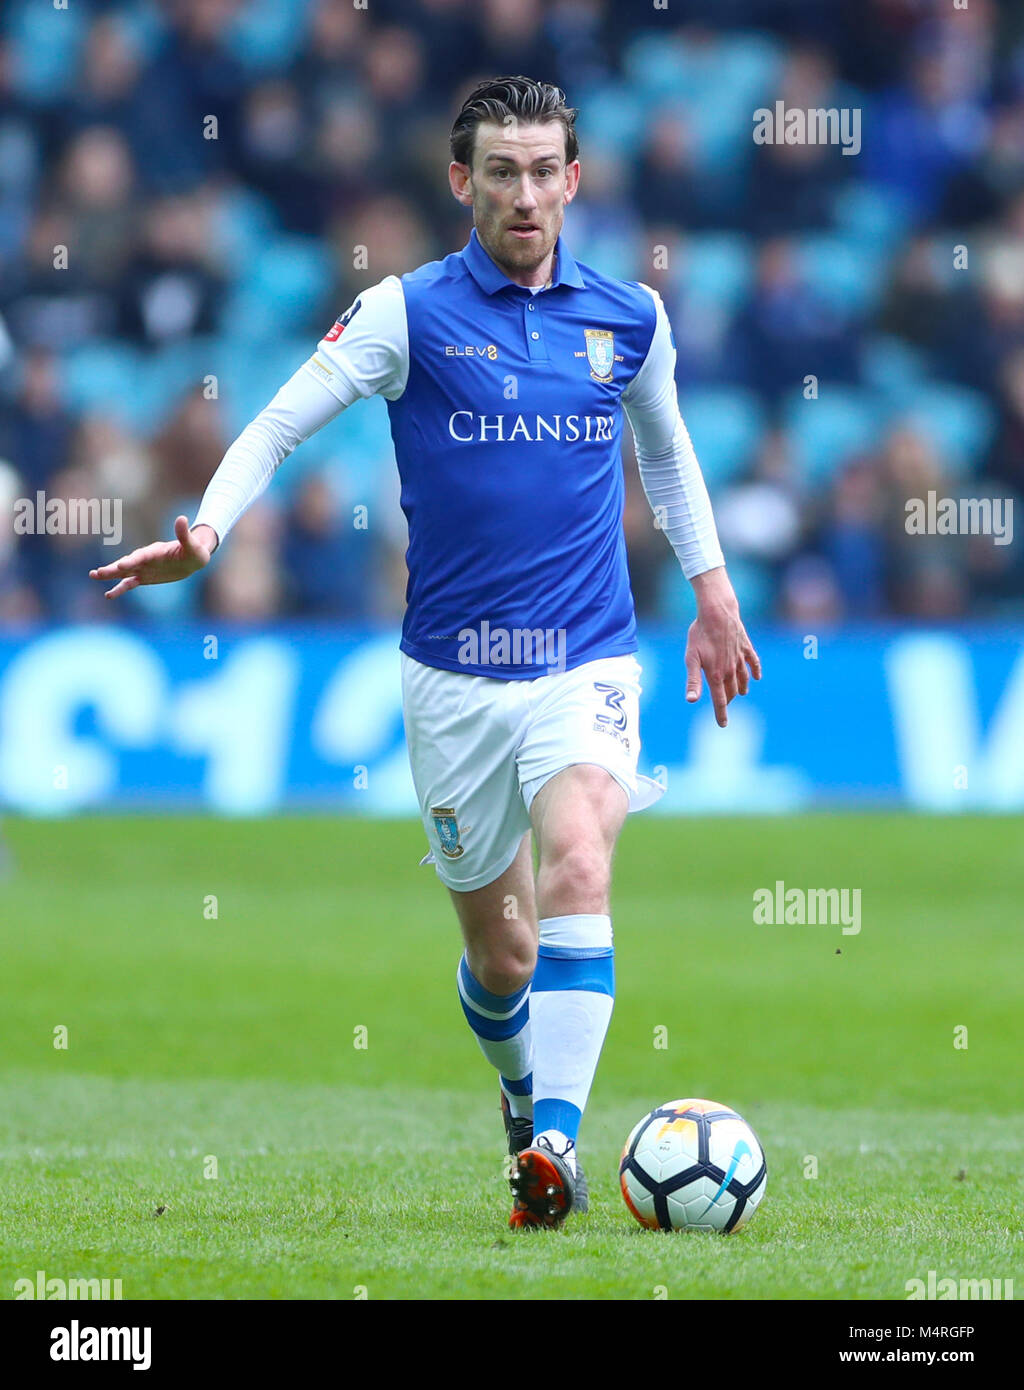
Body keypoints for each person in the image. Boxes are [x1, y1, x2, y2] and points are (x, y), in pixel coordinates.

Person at [90, 75, 760, 1229]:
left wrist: (711, 592)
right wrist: (207, 524)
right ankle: (519, 1099)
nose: (525, 192)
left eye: (546, 169)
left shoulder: (628, 319)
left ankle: (554, 1146)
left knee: (582, 867)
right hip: (451, 678)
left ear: (574, 179)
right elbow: (281, 418)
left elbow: (669, 456)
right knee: (501, 956)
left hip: (585, 657)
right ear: (463, 182)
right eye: (501, 171)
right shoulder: (407, 312)